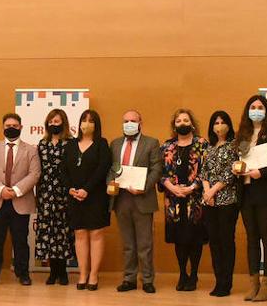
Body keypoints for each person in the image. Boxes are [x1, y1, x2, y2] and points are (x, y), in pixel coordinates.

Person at [235, 95, 267, 302]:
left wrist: (263, 173)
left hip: (266, 192)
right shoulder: (243, 134)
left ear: (266, 110)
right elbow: (239, 159)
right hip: (246, 192)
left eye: (260, 107)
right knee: (251, 238)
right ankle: (253, 284)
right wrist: (237, 169)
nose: (256, 110)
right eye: (252, 107)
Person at [0, 113, 41, 286]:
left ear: (21, 127)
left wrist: (15, 190)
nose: (11, 128)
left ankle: (23, 274)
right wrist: (0, 190)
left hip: (19, 201)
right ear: (3, 127)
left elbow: (34, 174)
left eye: (14, 125)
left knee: (21, 241)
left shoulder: (31, 150)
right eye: (8, 126)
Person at [110, 110, 162, 294]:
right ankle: (129, 278)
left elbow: (156, 169)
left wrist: (144, 187)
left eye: (133, 120)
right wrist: (111, 183)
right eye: (126, 121)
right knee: (128, 244)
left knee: (145, 243)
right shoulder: (115, 144)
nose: (129, 124)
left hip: (142, 198)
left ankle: (147, 280)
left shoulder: (152, 143)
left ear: (141, 122)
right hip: (122, 199)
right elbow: (112, 169)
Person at [160, 109, 209, 291]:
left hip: (195, 200)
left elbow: (207, 170)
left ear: (192, 124)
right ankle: (182, 273)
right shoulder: (167, 147)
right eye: (179, 120)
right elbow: (160, 173)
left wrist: (191, 187)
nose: (182, 123)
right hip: (173, 200)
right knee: (179, 238)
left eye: (186, 120)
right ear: (174, 125)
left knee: (194, 238)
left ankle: (194, 274)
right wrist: (172, 187)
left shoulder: (202, 144)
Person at [63, 109, 111, 290]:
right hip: (75, 197)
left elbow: (102, 169)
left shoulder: (102, 144)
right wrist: (71, 189)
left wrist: (87, 189)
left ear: (96, 124)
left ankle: (93, 274)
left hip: (95, 196)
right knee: (80, 234)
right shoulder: (70, 145)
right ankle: (82, 273)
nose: (86, 124)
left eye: (91, 121)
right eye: (84, 120)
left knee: (96, 234)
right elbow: (64, 170)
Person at [201, 110, 240, 297]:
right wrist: (207, 191)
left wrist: (214, 190)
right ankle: (218, 281)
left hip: (227, 200)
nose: (219, 126)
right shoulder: (209, 147)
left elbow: (230, 173)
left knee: (226, 241)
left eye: (222, 122)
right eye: (215, 122)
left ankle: (226, 283)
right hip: (209, 202)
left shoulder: (234, 146)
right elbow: (204, 172)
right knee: (214, 242)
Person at [35, 109, 74, 286]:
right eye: (51, 121)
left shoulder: (71, 144)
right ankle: (52, 272)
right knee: (48, 232)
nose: (53, 124)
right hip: (45, 194)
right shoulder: (42, 144)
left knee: (62, 233)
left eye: (57, 121)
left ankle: (63, 271)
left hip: (63, 194)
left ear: (63, 123)